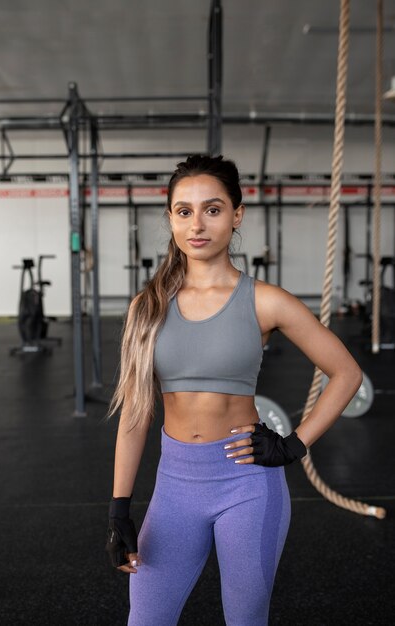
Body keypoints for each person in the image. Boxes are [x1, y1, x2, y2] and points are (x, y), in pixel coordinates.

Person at [106, 154, 362, 626]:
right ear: (170, 218)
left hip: (247, 483)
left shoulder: (266, 300)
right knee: (146, 618)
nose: (197, 224)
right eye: (184, 211)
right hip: (175, 485)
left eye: (213, 208)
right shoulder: (148, 306)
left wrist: (293, 446)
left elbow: (346, 373)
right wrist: (120, 506)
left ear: (237, 214)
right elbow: (137, 413)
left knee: (245, 620)